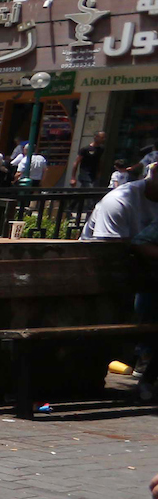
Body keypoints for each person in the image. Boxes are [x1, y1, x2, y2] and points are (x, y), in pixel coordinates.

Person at [82, 169, 158, 399]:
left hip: (142, 279)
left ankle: (147, 374)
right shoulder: (119, 200)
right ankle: (144, 365)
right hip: (101, 280)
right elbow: (110, 255)